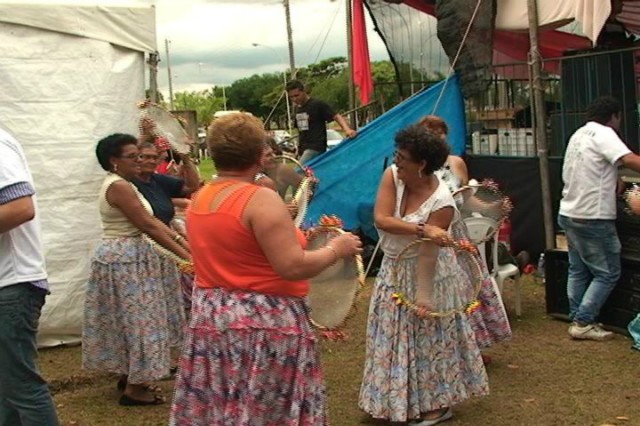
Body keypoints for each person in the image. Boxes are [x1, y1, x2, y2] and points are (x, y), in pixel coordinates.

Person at [169, 113, 362, 425]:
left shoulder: (201, 197)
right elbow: (292, 266)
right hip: (262, 324)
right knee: (267, 410)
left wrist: (306, 238)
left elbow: (242, 249)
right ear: (260, 154)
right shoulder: (260, 198)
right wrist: (336, 250)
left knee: (226, 402)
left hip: (213, 319)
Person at [359, 124, 488, 425]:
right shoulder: (392, 176)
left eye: (402, 158)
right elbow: (382, 218)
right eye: (397, 154)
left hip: (428, 272)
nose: (396, 162)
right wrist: (422, 228)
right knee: (391, 339)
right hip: (393, 268)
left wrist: (424, 296)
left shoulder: (442, 201)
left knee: (430, 342)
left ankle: (438, 406)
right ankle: (391, 401)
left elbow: (429, 252)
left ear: (422, 165)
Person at [83, 134, 191, 406]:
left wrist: (186, 249)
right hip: (127, 260)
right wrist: (188, 257)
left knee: (132, 321)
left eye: (140, 155)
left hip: (132, 257)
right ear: (114, 161)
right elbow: (149, 224)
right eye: (133, 157)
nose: (139, 161)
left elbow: (155, 221)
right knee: (143, 320)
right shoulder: (119, 186)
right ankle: (136, 386)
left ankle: (130, 375)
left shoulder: (126, 184)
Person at [418, 115, 511, 360]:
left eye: (440, 133)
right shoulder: (418, 167)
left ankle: (474, 347)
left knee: (469, 287)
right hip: (433, 233)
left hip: (458, 233)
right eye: (430, 133)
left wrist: (494, 205)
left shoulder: (456, 163)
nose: (436, 137)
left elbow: (468, 197)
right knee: (441, 289)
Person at [558, 96, 640, 341]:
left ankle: (577, 315)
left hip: (569, 212)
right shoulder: (605, 134)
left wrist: (617, 181)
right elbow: (628, 160)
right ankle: (583, 322)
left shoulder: (579, 135)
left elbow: (594, 169)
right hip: (592, 216)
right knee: (608, 273)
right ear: (614, 116)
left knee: (578, 269)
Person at [0, 127, 59, 425]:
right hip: (8, 284)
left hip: (11, 284)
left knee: (20, 387)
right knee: (7, 389)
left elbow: (20, 207)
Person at [132, 142, 199, 326]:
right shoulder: (129, 184)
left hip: (168, 240)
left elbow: (191, 187)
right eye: (144, 156)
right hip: (148, 244)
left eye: (154, 157)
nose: (150, 161)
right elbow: (149, 224)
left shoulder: (157, 180)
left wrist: (185, 157)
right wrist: (184, 250)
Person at [286, 79, 357, 164]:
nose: (294, 99)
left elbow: (336, 116)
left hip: (315, 147)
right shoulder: (297, 109)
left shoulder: (317, 104)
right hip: (303, 149)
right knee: (310, 175)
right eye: (291, 97)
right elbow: (301, 131)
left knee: (298, 172)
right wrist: (298, 148)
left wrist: (347, 130)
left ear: (303, 91)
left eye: (297, 95)